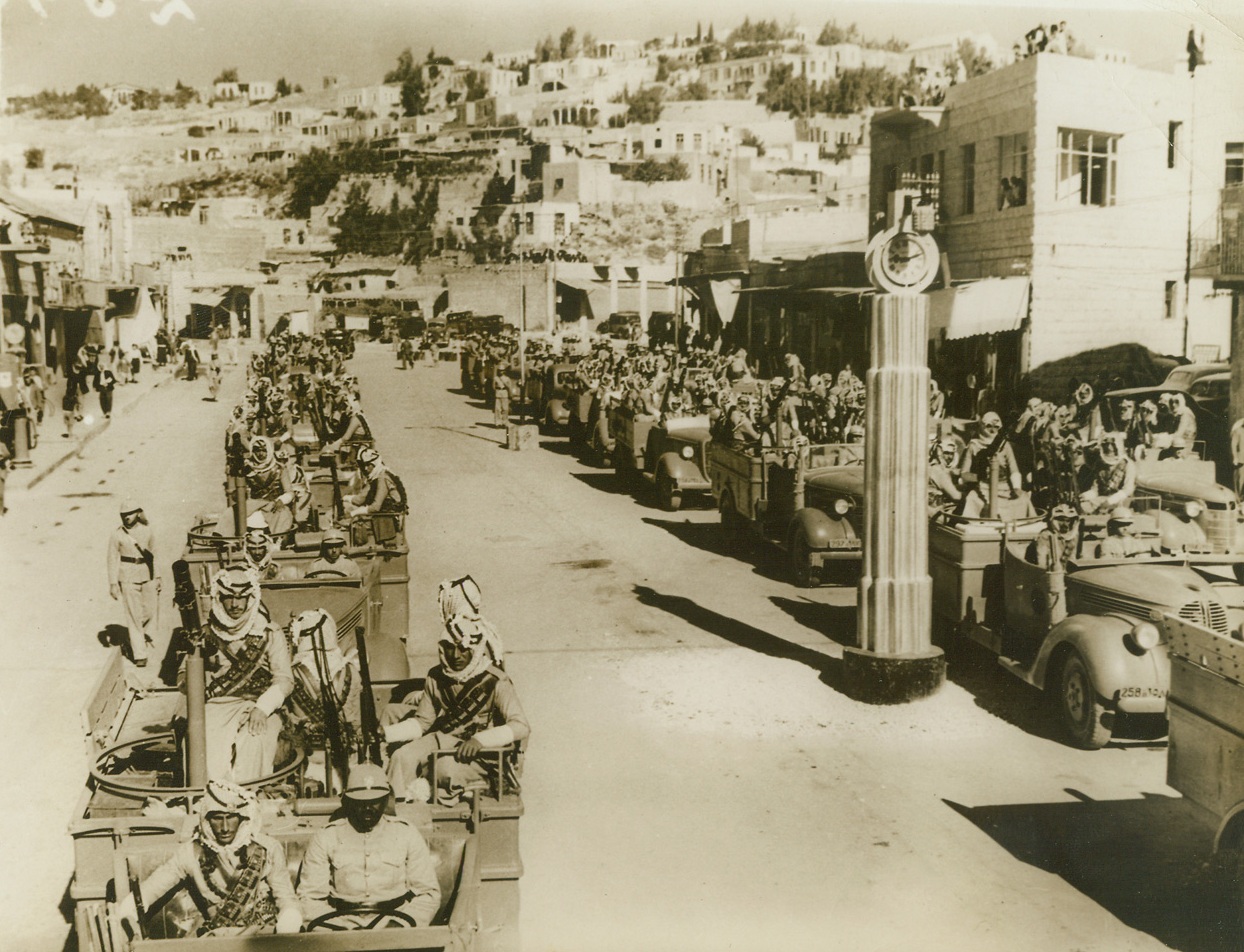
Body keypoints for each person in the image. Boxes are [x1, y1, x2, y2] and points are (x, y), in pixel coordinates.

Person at [113, 780, 301, 937]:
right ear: (206, 820)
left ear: (242, 818)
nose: (225, 827)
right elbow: (156, 884)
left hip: (262, 937)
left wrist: (289, 920)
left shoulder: (267, 848)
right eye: (217, 818)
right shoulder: (191, 852)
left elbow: (285, 896)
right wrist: (129, 909)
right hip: (218, 940)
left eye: (231, 817)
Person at [383, 610, 528, 803]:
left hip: (482, 753)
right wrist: (387, 734)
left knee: (443, 769)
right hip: (444, 738)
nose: (456, 655)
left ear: (475, 649)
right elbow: (423, 722)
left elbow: (521, 726)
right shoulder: (436, 676)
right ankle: (398, 810)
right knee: (402, 757)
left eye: (463, 648)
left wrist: (480, 740)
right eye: (449, 648)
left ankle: (475, 786)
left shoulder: (496, 681)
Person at [296, 763, 442, 929]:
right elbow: (309, 898)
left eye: (374, 801)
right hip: (339, 923)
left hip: (396, 921)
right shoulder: (326, 836)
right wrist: (338, 930)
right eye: (360, 802)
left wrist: (399, 925)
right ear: (349, 800)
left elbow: (428, 894)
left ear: (386, 799)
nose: (367, 808)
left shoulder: (406, 833)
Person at [194, 567, 293, 782]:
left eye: (242, 598)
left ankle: (248, 798)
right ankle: (215, 800)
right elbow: (187, 673)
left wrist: (263, 708)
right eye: (229, 597)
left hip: (260, 704)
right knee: (205, 743)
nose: (235, 605)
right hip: (217, 705)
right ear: (219, 598)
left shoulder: (269, 632)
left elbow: (284, 680)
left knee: (254, 740)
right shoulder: (206, 633)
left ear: (251, 597)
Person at [285, 609, 361, 791]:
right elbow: (355, 723)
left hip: (301, 763)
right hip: (345, 763)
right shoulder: (351, 671)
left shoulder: (290, 673)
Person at [108, 500, 160, 666]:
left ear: (138, 513)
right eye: (123, 515)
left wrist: (158, 577)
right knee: (133, 615)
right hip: (127, 576)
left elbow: (155, 554)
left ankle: (134, 636)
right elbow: (111, 558)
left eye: (129, 514)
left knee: (150, 611)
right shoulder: (118, 534)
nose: (126, 518)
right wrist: (113, 583)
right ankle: (140, 654)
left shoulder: (147, 530)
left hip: (147, 574)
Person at [1080, 433, 1136, 514]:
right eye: (1106, 446)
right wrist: (1086, 496)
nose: (1109, 448)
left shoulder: (1128, 464)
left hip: (1122, 501)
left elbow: (1127, 490)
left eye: (1112, 446)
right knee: (1082, 507)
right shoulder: (1100, 464)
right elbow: (1096, 489)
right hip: (1102, 499)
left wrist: (1110, 501)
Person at [346, 447, 407, 518]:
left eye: (368, 465)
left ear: (375, 463)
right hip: (384, 511)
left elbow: (375, 507)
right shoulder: (376, 474)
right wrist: (345, 498)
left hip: (388, 515)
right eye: (364, 465)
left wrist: (353, 513)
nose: (365, 468)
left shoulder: (382, 477)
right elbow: (360, 499)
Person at [1027, 503, 1079, 570]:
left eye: (1068, 520)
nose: (1065, 524)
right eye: (1061, 520)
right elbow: (1041, 563)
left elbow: (1072, 560)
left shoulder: (1072, 536)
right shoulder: (1045, 536)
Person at [1231, 416, 1244, 499]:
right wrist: (1235, 457)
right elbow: (1233, 445)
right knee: (1240, 479)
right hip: (1242, 459)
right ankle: (1238, 498)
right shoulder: (1238, 430)